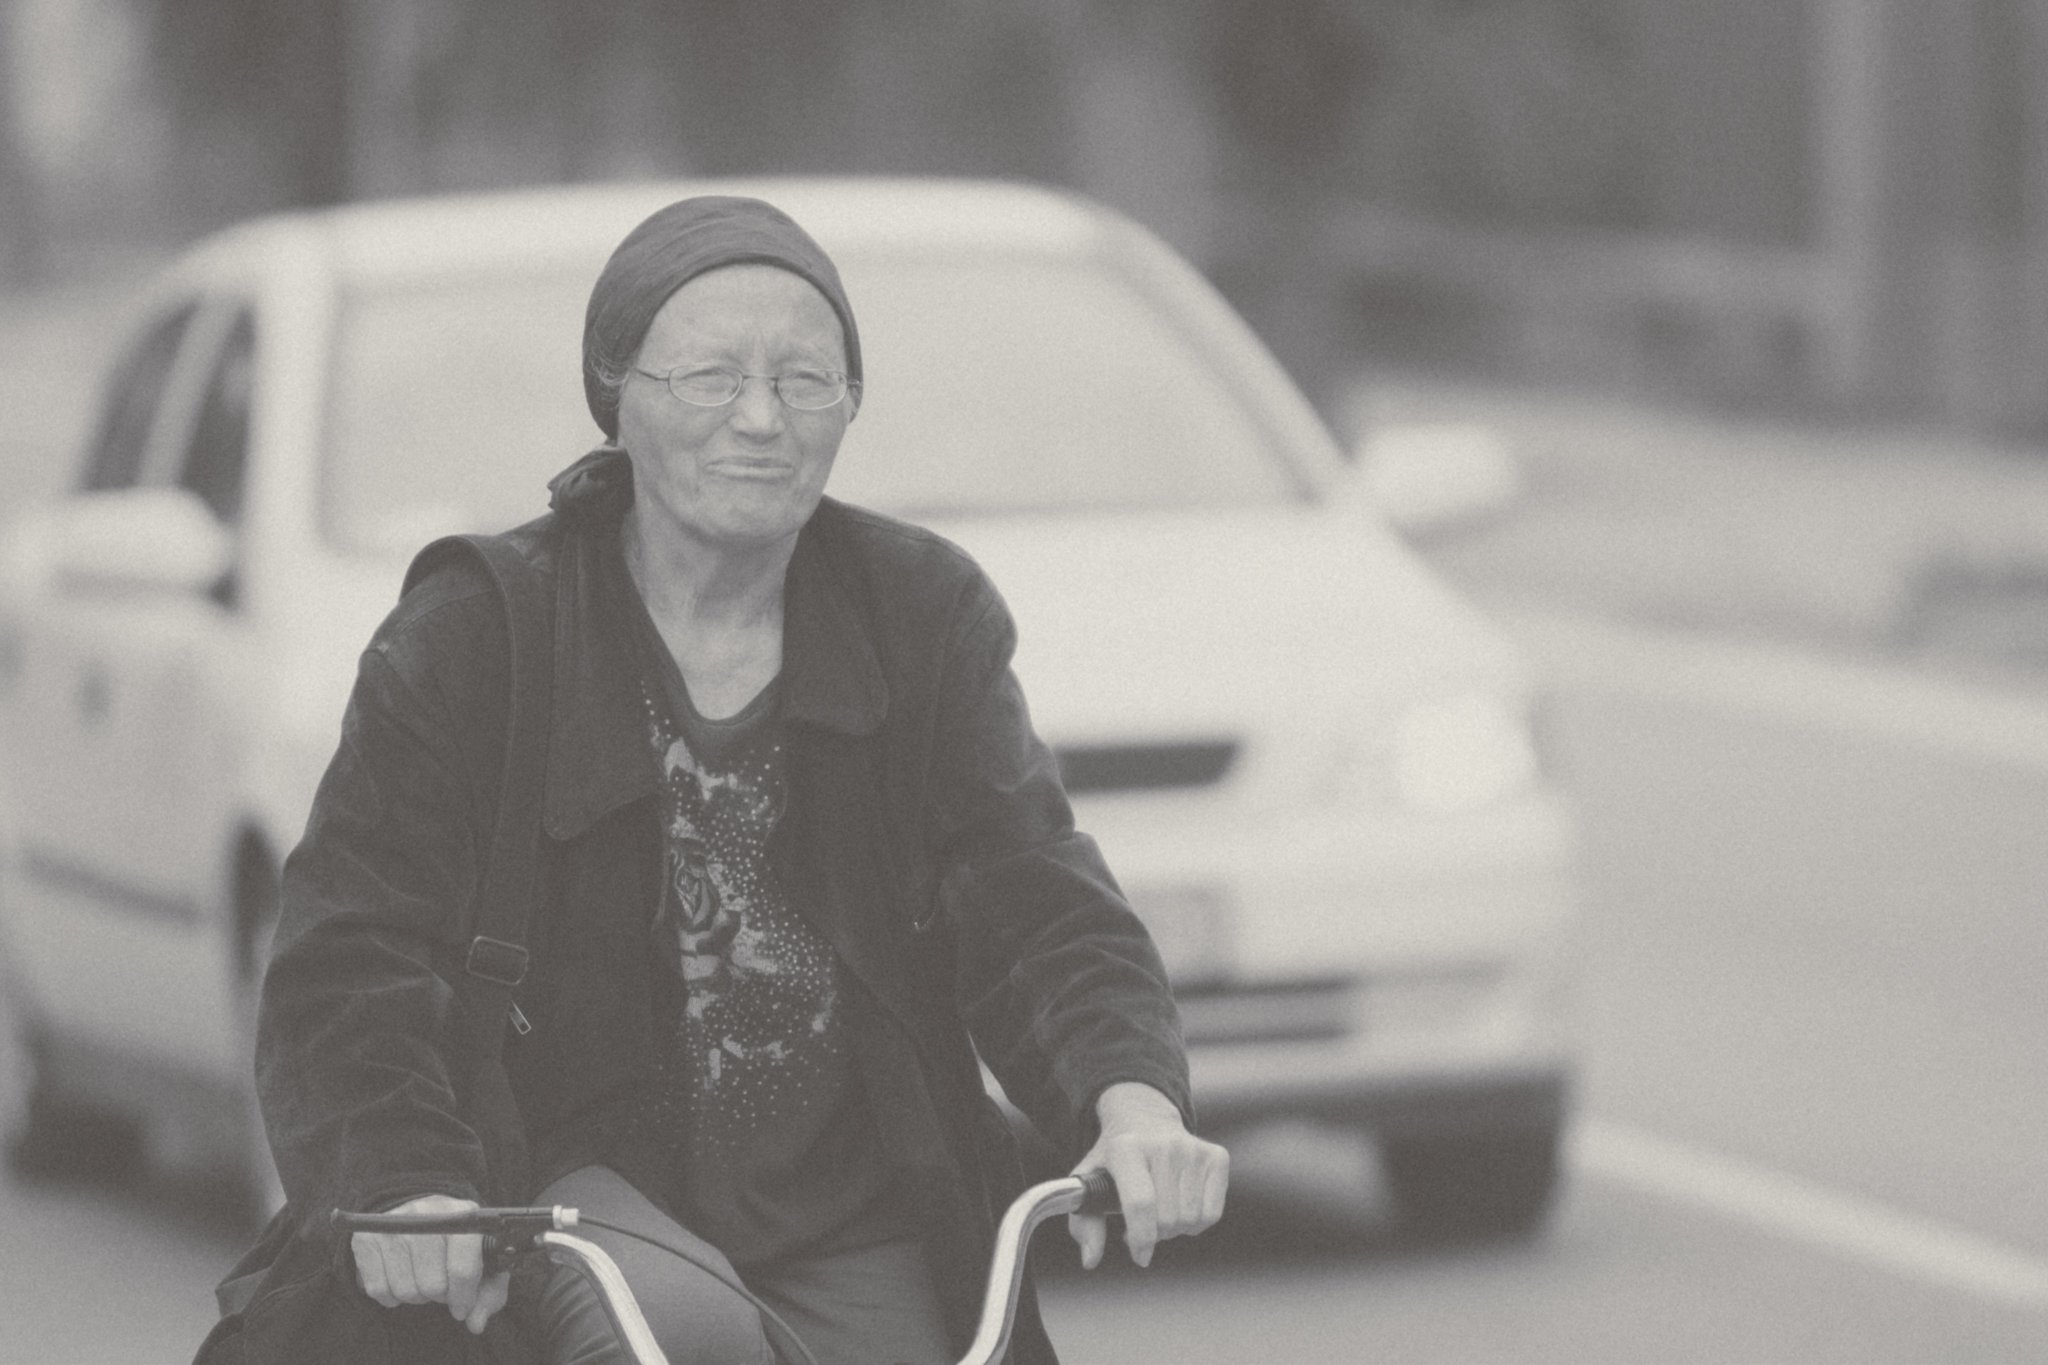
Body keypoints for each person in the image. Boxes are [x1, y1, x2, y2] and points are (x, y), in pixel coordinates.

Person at [250, 195, 1228, 1365]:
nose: (761, 418)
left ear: (848, 406)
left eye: (805, 380)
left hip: (854, 1206)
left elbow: (1033, 896)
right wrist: (404, 1184)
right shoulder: (475, 637)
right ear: (615, 394)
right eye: (710, 377)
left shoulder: (918, 616)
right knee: (692, 1340)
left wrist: (1130, 1098)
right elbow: (350, 957)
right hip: (570, 1188)